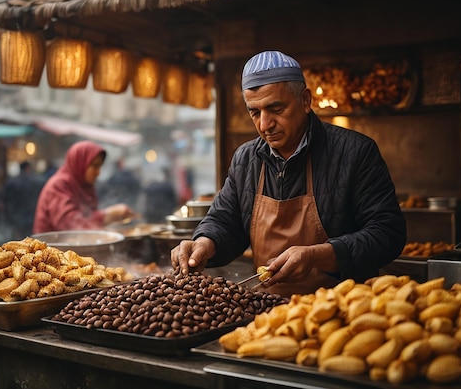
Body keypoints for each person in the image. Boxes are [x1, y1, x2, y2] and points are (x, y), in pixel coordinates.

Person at [171, 51, 406, 296]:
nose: (264, 124)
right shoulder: (246, 159)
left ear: (305, 101)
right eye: (254, 112)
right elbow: (225, 221)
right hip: (269, 314)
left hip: (341, 313)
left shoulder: (355, 153)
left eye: (276, 108)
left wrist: (319, 255)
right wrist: (205, 242)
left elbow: (388, 233)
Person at [33, 140, 135, 233]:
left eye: (100, 166)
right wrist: (108, 214)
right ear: (80, 163)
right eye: (94, 165)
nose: (98, 172)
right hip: (49, 251)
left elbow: (89, 220)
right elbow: (70, 225)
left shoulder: (85, 186)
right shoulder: (60, 184)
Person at [2, 161, 44, 239]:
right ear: (28, 168)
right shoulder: (38, 181)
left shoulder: (11, 182)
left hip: (17, 219)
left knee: (18, 244)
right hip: (32, 218)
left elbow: (7, 202)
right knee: (32, 244)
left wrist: (9, 219)